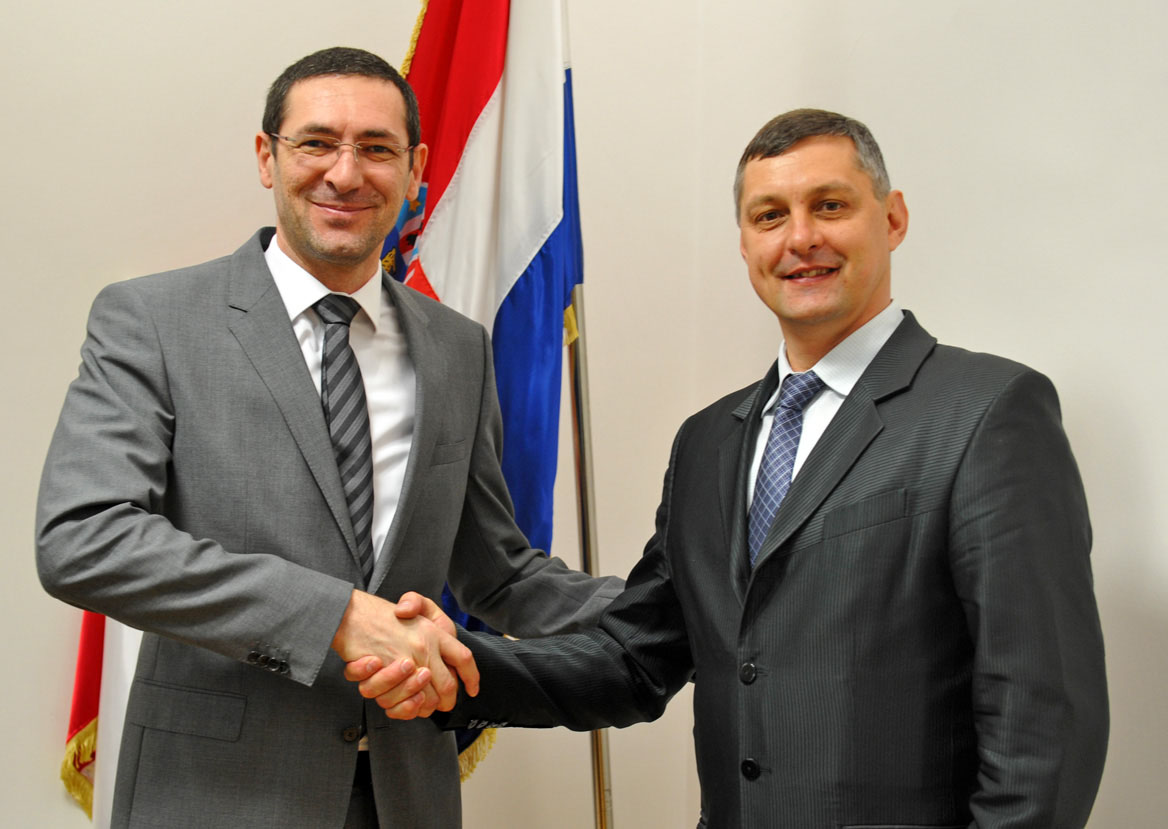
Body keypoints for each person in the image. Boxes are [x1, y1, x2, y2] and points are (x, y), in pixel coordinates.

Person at [354, 109, 1109, 828]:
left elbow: (1043, 716)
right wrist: (454, 666)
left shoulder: (989, 413)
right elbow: (634, 657)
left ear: (893, 218)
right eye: (770, 216)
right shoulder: (708, 441)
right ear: (746, 244)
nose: (801, 238)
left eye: (830, 205)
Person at [35, 46, 621, 829]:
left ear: (415, 169)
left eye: (376, 148)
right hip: (216, 797)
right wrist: (337, 616)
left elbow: (500, 574)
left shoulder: (458, 348)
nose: (345, 174)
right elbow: (82, 539)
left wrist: (677, 602)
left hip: (407, 796)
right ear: (266, 157)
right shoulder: (153, 321)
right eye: (316, 142)